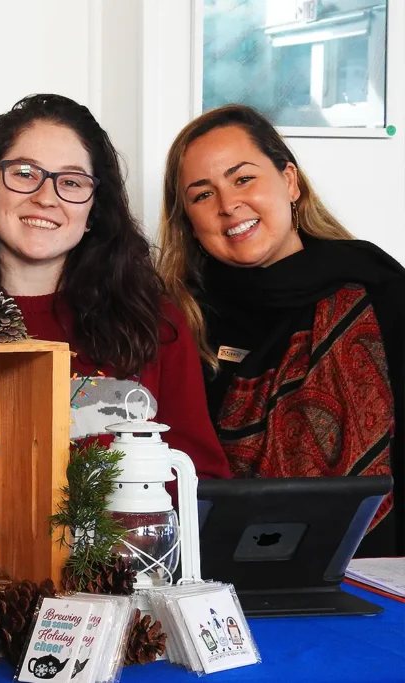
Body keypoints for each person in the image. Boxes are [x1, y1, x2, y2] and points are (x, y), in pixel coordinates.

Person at [157, 104, 404, 557]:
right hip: (221, 577)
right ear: (188, 221)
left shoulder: (379, 289)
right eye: (202, 195)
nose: (229, 205)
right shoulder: (179, 324)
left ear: (289, 181)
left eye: (243, 178)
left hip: (382, 572)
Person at [0, 94, 230, 480]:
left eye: (72, 181)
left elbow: (200, 478)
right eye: (25, 173)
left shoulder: (155, 324)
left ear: (93, 212)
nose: (46, 197)